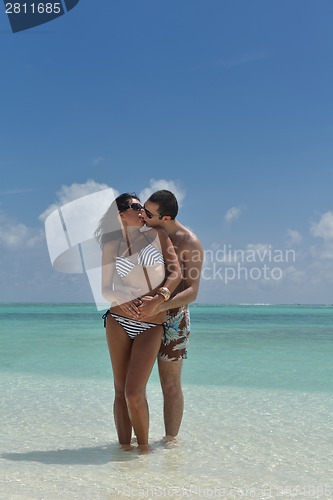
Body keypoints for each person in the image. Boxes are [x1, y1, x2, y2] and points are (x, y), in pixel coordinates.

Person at [95, 193, 181, 452]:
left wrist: (161, 297)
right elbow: (105, 290)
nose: (141, 209)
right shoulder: (112, 245)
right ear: (121, 215)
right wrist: (121, 298)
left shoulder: (157, 236)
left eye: (141, 205)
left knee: (134, 392)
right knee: (120, 392)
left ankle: (144, 452)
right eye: (134, 206)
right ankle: (124, 455)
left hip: (152, 323)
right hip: (118, 321)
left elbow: (176, 273)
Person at [137, 190, 203, 443]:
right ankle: (136, 441)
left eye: (149, 212)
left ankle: (170, 443)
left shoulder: (189, 242)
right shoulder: (143, 232)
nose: (143, 214)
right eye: (143, 208)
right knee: (135, 384)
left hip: (174, 319)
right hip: (144, 315)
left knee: (170, 384)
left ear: (165, 218)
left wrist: (160, 305)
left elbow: (192, 292)